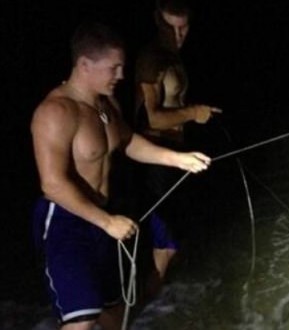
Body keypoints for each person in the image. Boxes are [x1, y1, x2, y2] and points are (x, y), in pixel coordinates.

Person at [30, 21, 211, 330]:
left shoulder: (105, 103)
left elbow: (126, 141)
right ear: (85, 65)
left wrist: (176, 159)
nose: (122, 76)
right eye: (113, 68)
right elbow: (53, 184)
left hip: (103, 217)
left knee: (115, 317)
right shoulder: (56, 112)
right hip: (66, 222)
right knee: (83, 320)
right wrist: (107, 222)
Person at [134, 0, 221, 299]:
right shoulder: (151, 59)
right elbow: (152, 117)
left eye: (183, 27)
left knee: (178, 242)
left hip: (175, 156)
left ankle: (168, 308)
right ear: (158, 21)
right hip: (155, 158)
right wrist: (194, 112)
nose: (178, 35)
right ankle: (139, 313)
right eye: (171, 27)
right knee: (166, 245)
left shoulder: (173, 57)